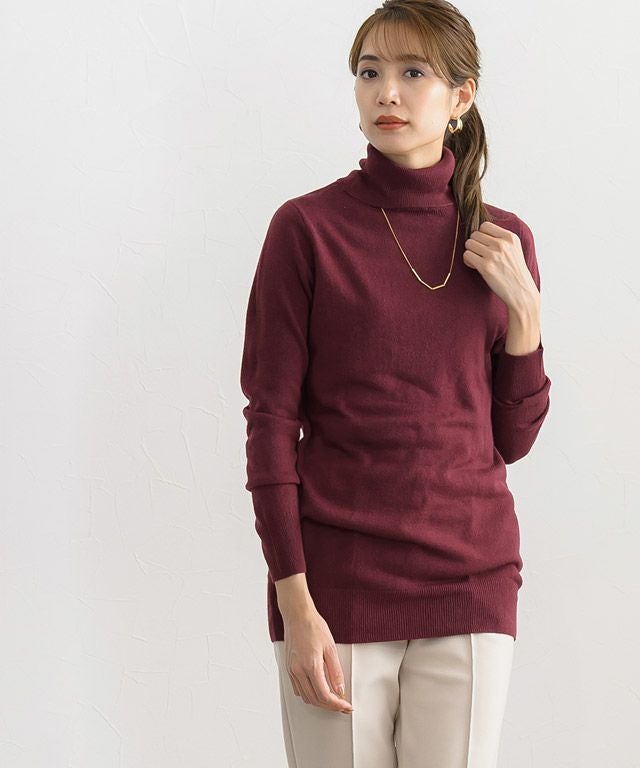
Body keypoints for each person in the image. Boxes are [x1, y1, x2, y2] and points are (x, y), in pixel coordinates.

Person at [239, 1, 551, 765]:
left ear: (461, 96)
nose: (387, 92)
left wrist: (526, 314)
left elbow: (510, 440)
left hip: (471, 580)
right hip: (337, 586)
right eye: (369, 71)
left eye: (414, 73)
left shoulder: (502, 241)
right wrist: (294, 601)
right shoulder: (307, 230)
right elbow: (271, 422)